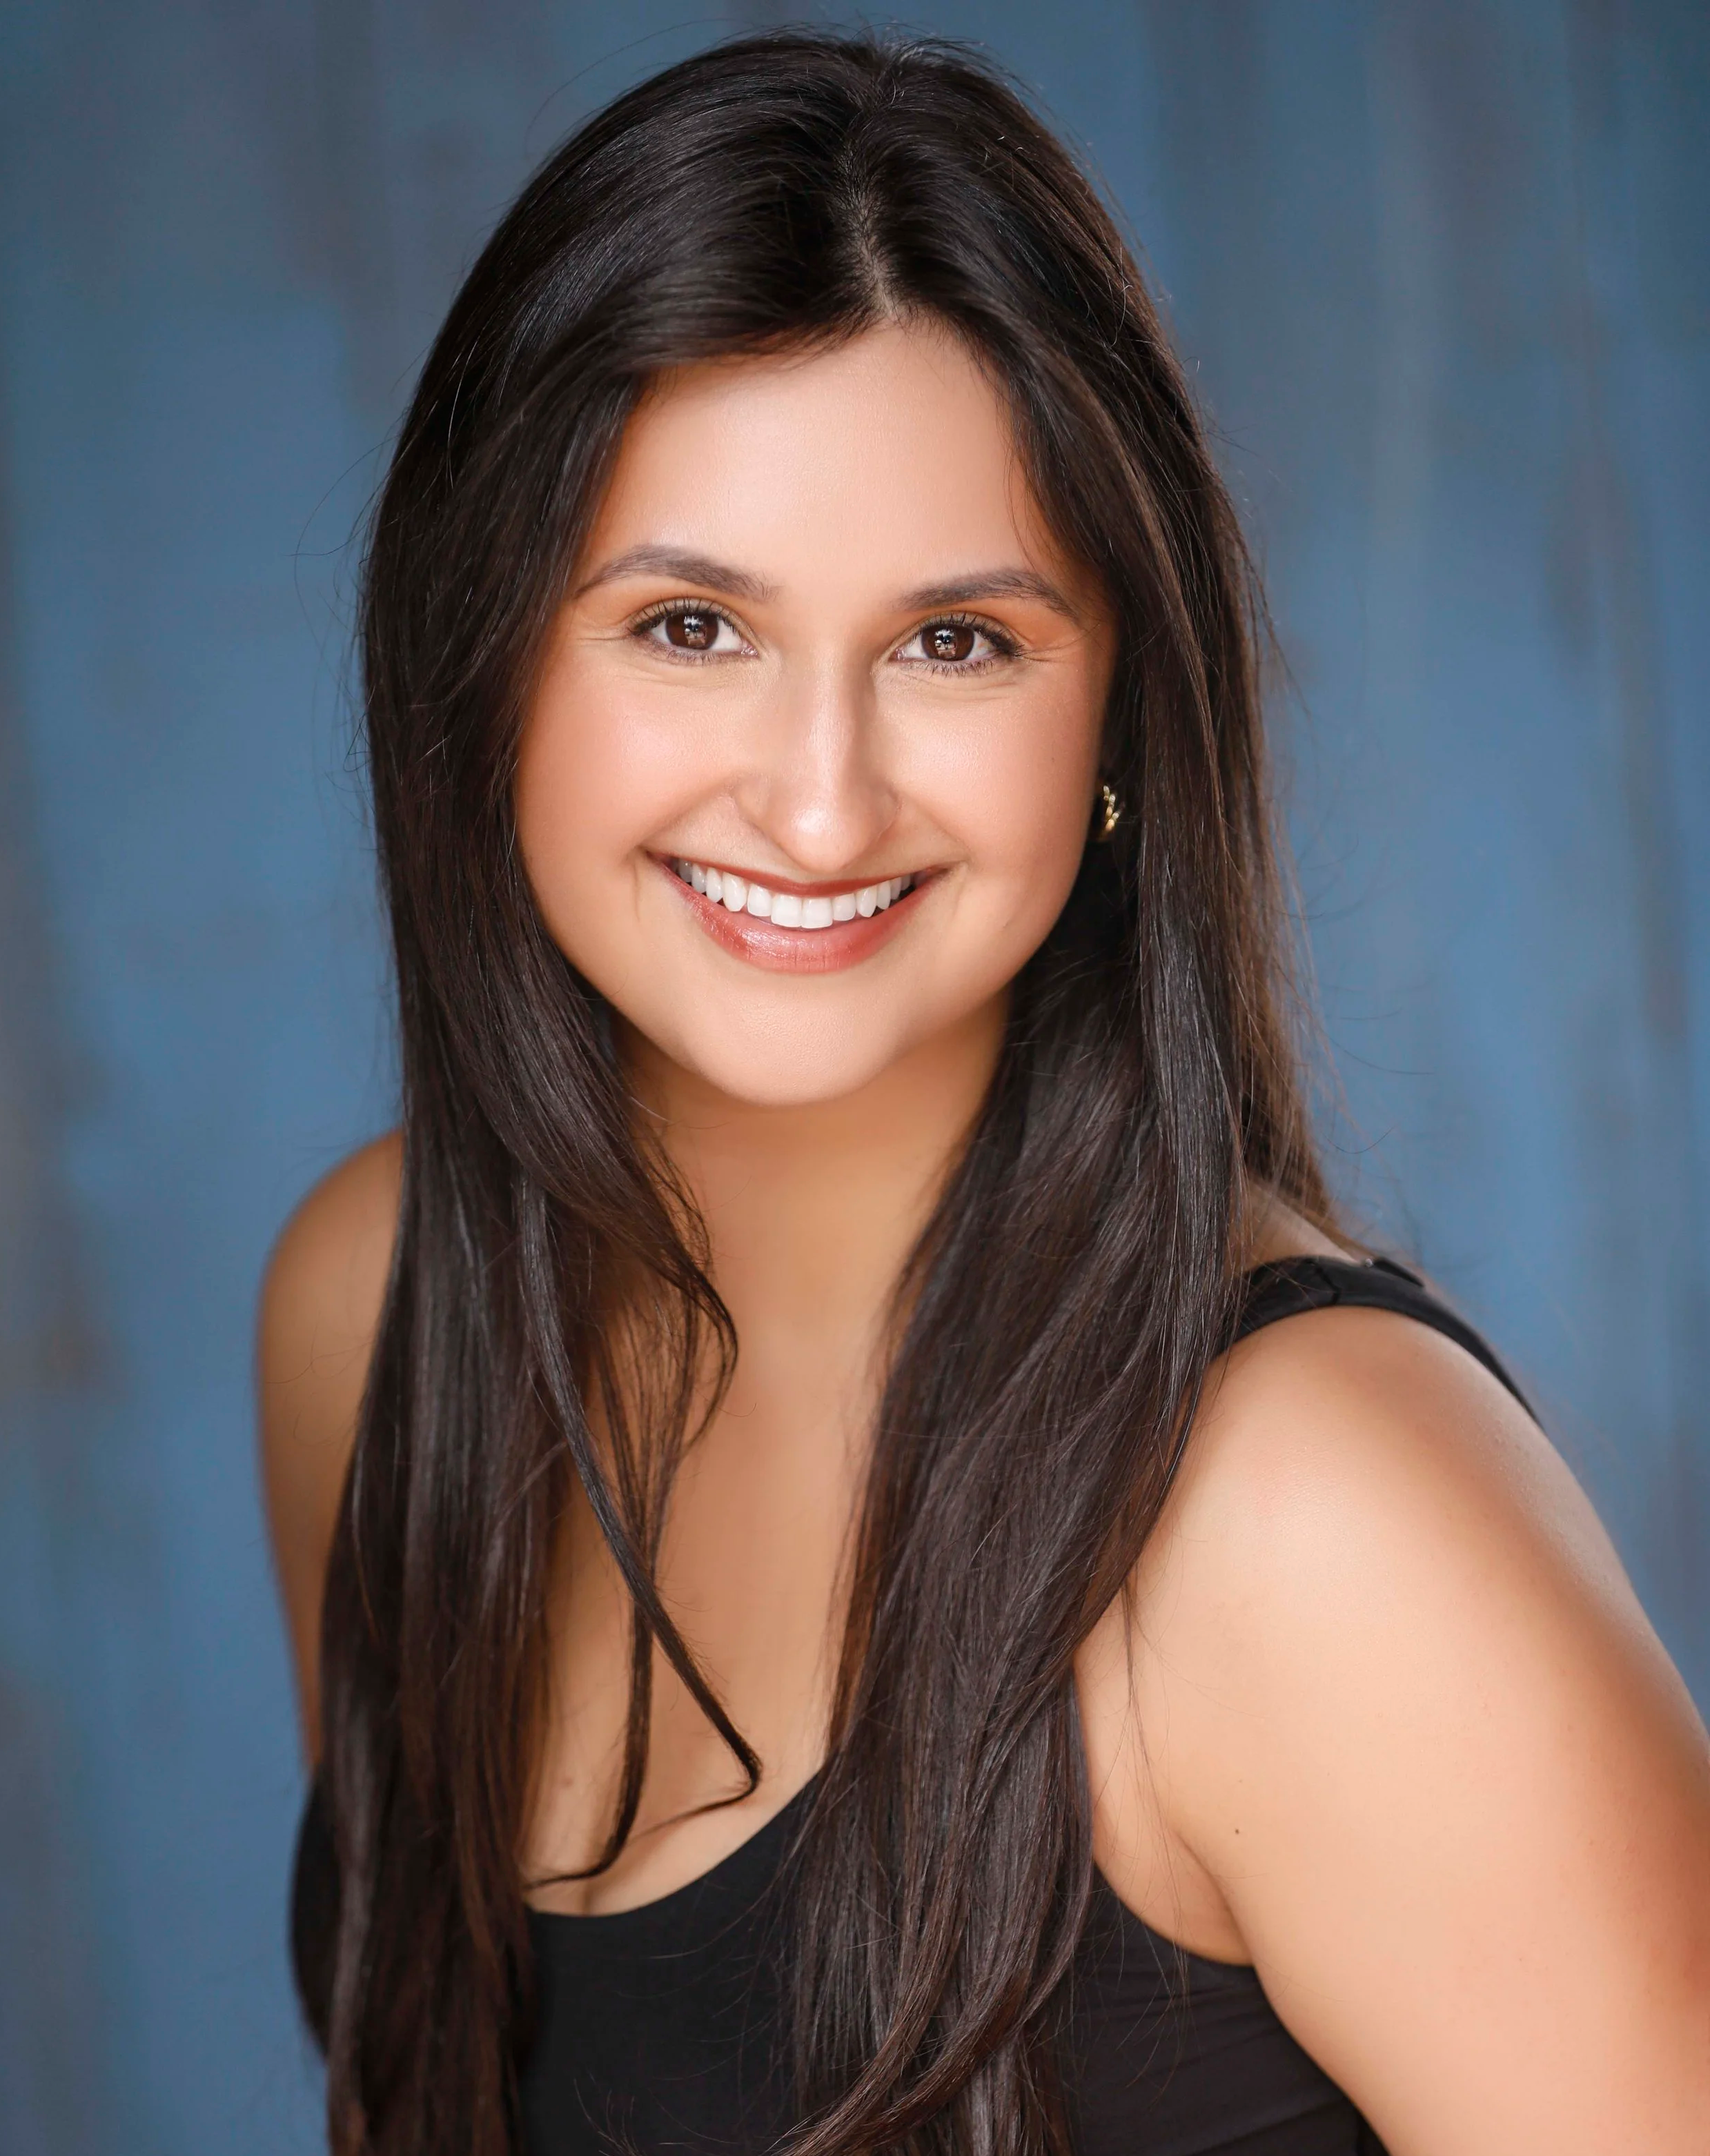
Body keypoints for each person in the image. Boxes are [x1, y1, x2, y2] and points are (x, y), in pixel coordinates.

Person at [257, 30, 1710, 2156]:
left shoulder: (1305, 1518)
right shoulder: (372, 1306)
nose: (821, 796)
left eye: (956, 644)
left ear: (1117, 709)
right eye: (688, 626)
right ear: (482, 661)